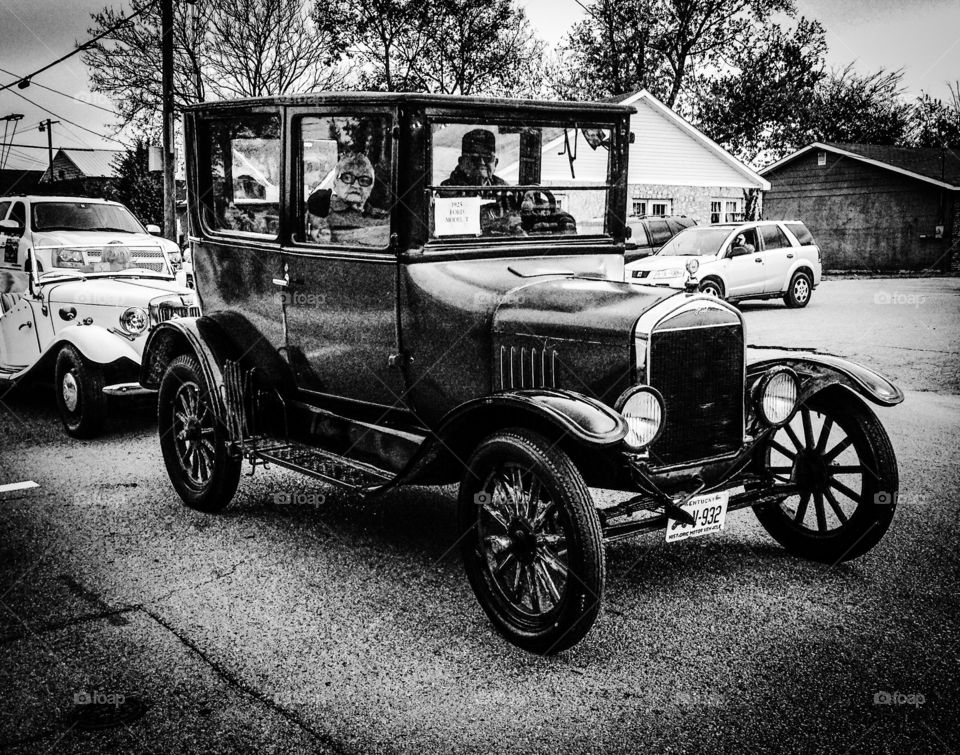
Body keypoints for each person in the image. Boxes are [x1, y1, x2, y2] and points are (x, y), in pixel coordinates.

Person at [306, 152, 389, 246]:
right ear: (336, 182)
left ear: (371, 186)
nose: (356, 185)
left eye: (364, 180)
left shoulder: (384, 217)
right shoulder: (320, 210)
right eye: (347, 178)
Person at [441, 128, 507, 188]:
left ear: (495, 163)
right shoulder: (446, 190)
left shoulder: (504, 189)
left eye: (487, 158)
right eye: (474, 158)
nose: (481, 162)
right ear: (462, 163)